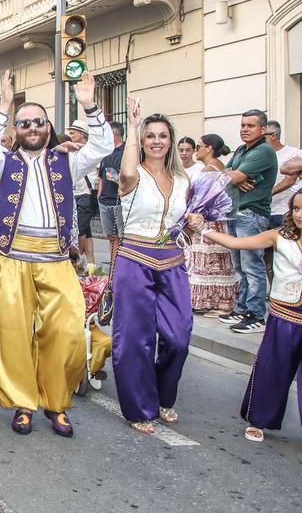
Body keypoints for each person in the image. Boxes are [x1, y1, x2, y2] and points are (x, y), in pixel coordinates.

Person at [0, 71, 111, 437]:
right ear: (17, 130)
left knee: (68, 332)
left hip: (55, 259)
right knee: (14, 335)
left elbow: (102, 147)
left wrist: (90, 106)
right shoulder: (1, 162)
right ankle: (23, 403)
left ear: (48, 126)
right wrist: (4, 107)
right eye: (25, 124)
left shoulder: (66, 161)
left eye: (38, 122)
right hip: (12, 258)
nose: (33, 128)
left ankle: (56, 402)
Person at [188, 187, 302, 466]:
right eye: (296, 209)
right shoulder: (279, 237)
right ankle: (259, 419)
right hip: (284, 315)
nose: (300, 215)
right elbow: (237, 243)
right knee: (272, 369)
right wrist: (203, 229)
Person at [111, 100, 192, 434]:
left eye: (162, 135)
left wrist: (194, 222)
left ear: (171, 140)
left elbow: (182, 222)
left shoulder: (184, 180)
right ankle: (139, 407)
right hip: (135, 261)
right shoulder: (133, 177)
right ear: (142, 142)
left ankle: (162, 394)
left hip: (173, 262)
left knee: (179, 337)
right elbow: (127, 171)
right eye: (150, 136)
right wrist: (132, 127)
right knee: (134, 339)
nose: (156, 141)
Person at [222, 110, 280, 334]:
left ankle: (256, 314)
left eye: (251, 126)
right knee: (239, 265)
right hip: (237, 211)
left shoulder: (264, 150)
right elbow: (226, 173)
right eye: (243, 125)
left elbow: (232, 177)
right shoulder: (241, 149)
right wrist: (235, 176)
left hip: (253, 214)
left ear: (263, 129)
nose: (245, 129)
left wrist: (236, 177)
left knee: (252, 265)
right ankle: (242, 308)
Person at [188, 135, 239, 316]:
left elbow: (200, 198)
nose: (196, 150)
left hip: (208, 221)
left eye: (198, 146)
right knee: (219, 260)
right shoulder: (221, 167)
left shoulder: (209, 170)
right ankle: (221, 302)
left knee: (210, 261)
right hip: (219, 220)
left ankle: (214, 302)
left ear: (209, 148)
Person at [68, 120, 97, 264]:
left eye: (73, 132)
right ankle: (91, 265)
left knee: (81, 230)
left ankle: (78, 262)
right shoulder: (72, 150)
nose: (70, 134)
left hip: (85, 193)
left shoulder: (89, 151)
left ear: (82, 134)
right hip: (75, 194)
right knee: (87, 232)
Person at [97, 121, 126, 260]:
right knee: (111, 237)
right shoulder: (105, 152)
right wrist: (99, 194)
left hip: (120, 201)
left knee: (122, 238)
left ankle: (122, 267)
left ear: (114, 134)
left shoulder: (126, 152)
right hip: (104, 201)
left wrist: (116, 178)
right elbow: (101, 175)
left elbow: (130, 177)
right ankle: (113, 269)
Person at [264, 122, 300, 228]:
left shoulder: (293, 153)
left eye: (262, 136)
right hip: (263, 212)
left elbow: (291, 179)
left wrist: (267, 194)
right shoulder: (259, 155)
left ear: (273, 136)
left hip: (284, 211)